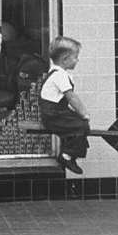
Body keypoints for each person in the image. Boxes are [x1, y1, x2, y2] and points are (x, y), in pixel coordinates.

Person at [39, 36, 90, 174]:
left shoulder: (57, 72)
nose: (77, 60)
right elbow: (71, 97)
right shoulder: (59, 76)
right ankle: (66, 155)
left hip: (56, 112)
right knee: (81, 125)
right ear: (65, 59)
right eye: (75, 57)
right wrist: (84, 113)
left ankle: (70, 154)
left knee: (80, 125)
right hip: (53, 115)